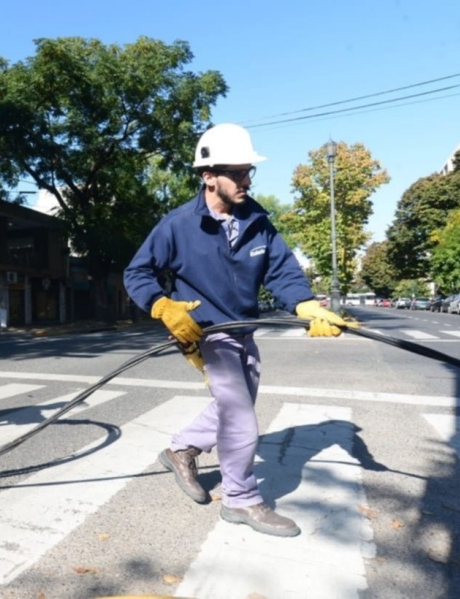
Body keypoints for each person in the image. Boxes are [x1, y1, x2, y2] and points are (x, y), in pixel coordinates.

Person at [123, 123, 346, 537]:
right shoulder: (177, 226)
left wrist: (306, 304)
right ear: (209, 176)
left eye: (249, 172)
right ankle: (241, 500)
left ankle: (181, 448)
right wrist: (160, 304)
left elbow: (282, 272)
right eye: (238, 173)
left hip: (245, 330)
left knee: (233, 406)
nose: (246, 180)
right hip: (208, 334)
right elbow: (137, 272)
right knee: (241, 414)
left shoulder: (257, 221)